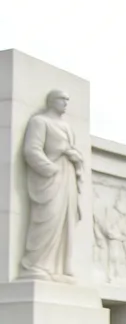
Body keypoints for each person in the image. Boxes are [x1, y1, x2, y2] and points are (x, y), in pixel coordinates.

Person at [20, 89, 83, 281]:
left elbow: (72, 150)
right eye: (62, 99)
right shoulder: (40, 121)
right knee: (48, 218)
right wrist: (51, 169)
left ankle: (60, 267)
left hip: (68, 178)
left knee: (65, 221)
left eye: (67, 99)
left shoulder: (67, 127)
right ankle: (36, 263)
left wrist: (76, 158)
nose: (65, 102)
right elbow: (32, 150)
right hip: (51, 178)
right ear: (51, 101)